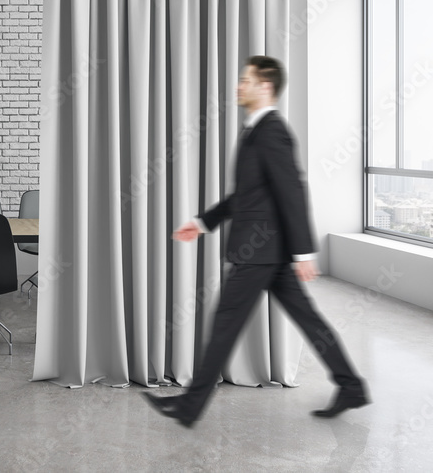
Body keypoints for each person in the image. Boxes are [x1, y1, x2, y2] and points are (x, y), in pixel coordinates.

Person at [144, 56, 369, 427]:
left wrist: (304, 251)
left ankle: (190, 405)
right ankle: (351, 386)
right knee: (308, 320)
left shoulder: (272, 131)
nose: (238, 86)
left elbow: (292, 191)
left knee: (226, 323)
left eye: (245, 80)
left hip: (261, 251)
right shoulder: (255, 131)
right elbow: (247, 196)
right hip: (269, 251)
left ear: (265, 86)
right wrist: (203, 222)